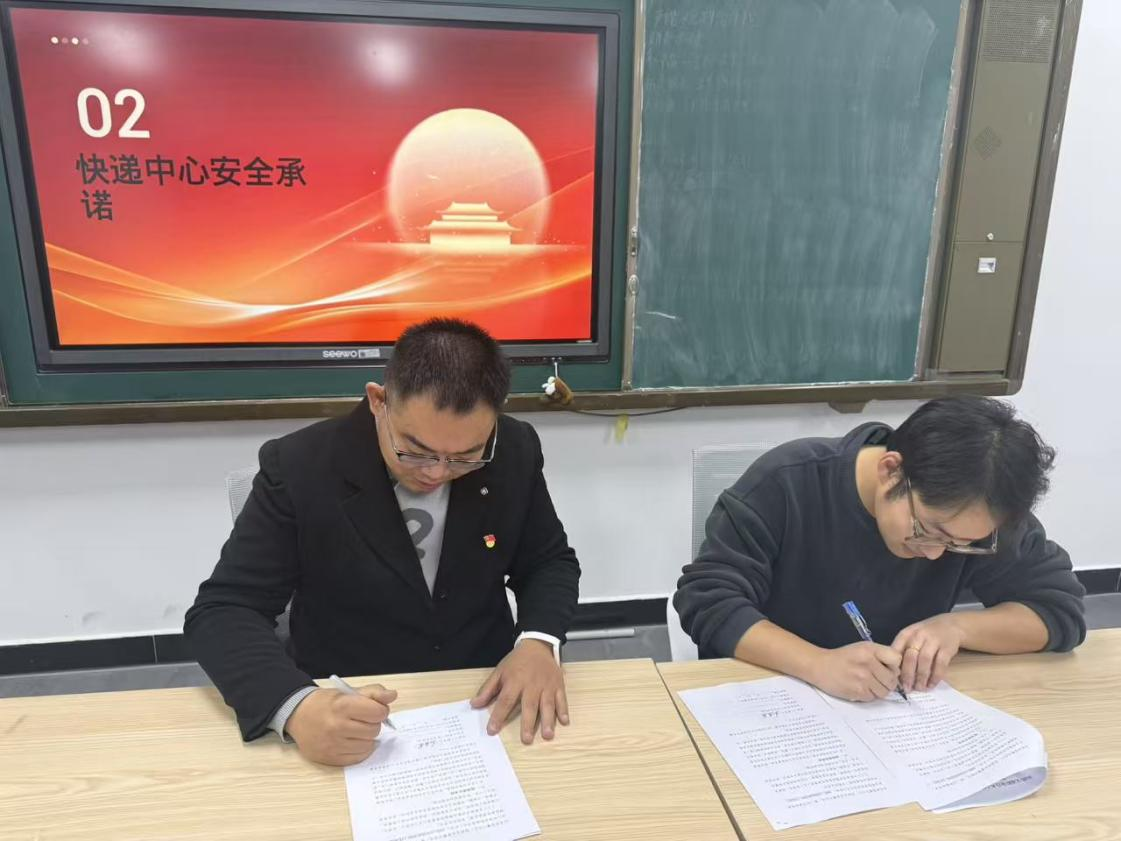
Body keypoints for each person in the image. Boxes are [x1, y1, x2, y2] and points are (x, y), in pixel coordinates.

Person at [185, 318, 580, 765]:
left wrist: (537, 641)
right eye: (415, 450)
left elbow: (548, 561)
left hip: (482, 693)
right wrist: (295, 706)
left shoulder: (513, 449)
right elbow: (224, 609)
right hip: (350, 700)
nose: (437, 472)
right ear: (379, 401)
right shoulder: (300, 466)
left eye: (465, 457)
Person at [675, 396, 1085, 702]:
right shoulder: (788, 483)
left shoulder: (982, 509)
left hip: (889, 715)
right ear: (891, 471)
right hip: (772, 697)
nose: (936, 554)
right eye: (928, 531)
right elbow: (709, 602)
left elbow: (1058, 609)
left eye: (963, 545)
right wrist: (818, 664)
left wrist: (957, 628)